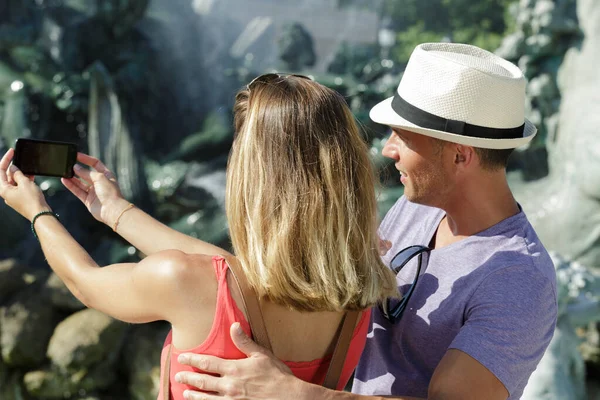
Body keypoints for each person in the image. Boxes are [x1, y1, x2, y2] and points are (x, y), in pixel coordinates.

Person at [173, 43, 559, 400]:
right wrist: (119, 214)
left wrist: (296, 393)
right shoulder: (420, 206)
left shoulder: (520, 280)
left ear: (460, 156)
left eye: (404, 137)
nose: (388, 149)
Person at [0, 74, 399, 399]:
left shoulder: (183, 281)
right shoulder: (358, 291)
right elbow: (226, 272)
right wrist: (117, 213)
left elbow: (84, 283)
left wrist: (36, 211)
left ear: (254, 178)